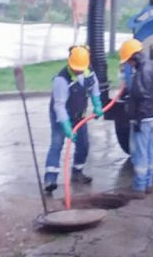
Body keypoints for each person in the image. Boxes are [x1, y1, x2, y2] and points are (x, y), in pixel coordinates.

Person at [43, 45, 104, 193]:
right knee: (57, 144)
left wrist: (97, 105)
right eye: (76, 68)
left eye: (81, 68)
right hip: (61, 116)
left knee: (83, 144)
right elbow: (59, 106)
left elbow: (94, 88)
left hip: (79, 115)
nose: (78, 70)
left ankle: (77, 172)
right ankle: (50, 179)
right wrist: (66, 126)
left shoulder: (88, 72)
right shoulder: (61, 80)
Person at [119, 38, 153, 198]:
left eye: (128, 61)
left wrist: (136, 119)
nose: (128, 64)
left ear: (134, 57)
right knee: (150, 150)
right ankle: (149, 183)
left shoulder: (141, 73)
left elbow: (141, 97)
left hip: (143, 118)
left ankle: (139, 187)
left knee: (140, 153)